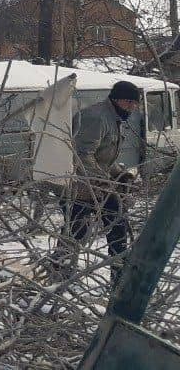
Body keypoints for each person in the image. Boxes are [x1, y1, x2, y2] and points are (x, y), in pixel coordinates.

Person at [55, 80, 140, 284]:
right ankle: (61, 272)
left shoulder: (112, 117)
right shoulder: (97, 118)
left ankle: (115, 275)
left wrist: (119, 174)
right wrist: (103, 181)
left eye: (135, 103)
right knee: (80, 228)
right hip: (80, 184)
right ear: (116, 99)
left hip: (93, 183)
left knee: (106, 225)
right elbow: (82, 155)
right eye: (128, 102)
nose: (132, 107)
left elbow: (102, 158)